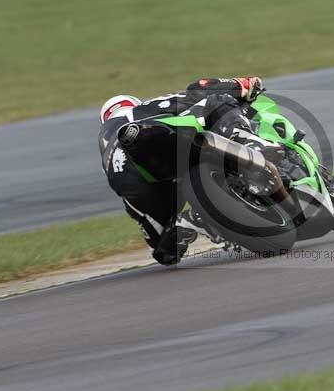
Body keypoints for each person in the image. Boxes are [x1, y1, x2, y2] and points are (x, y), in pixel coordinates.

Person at [98, 77, 280, 265]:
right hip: (152, 138)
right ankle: (251, 144)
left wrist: (166, 244)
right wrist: (243, 85)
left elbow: (162, 252)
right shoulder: (139, 111)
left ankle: (189, 223)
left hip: (129, 181)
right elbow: (196, 91)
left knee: (163, 249)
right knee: (215, 101)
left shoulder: (108, 157)